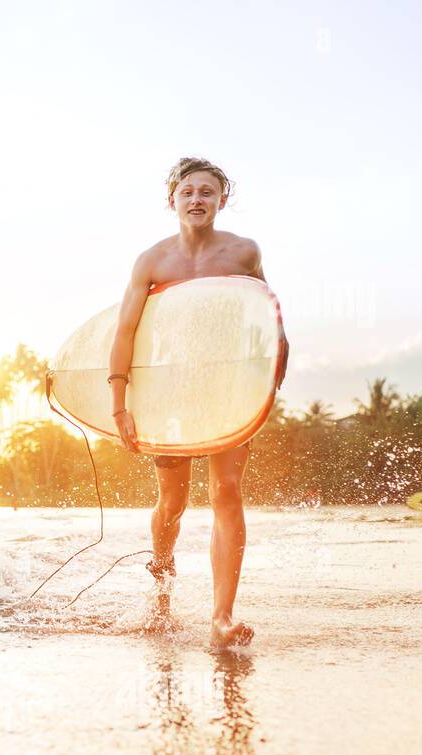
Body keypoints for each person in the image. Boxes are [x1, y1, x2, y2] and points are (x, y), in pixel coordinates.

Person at [108, 158, 290, 646]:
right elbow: (125, 332)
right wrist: (119, 403)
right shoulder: (153, 261)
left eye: (207, 192)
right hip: (170, 391)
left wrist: (270, 375)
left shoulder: (243, 252)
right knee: (173, 501)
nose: (196, 200)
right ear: (173, 200)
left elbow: (268, 318)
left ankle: (221, 618)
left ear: (220, 201)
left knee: (227, 491)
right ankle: (162, 586)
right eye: (187, 192)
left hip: (226, 388)